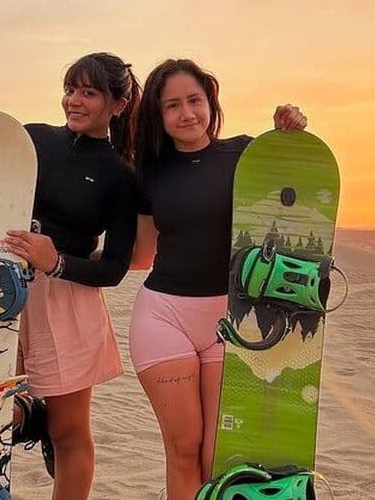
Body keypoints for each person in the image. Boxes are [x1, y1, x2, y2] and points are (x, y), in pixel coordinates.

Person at [0, 52, 140, 500]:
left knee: (70, 432)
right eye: (71, 90)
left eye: (89, 93)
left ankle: (40, 424)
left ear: (116, 104)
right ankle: (22, 424)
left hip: (66, 301)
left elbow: (115, 267)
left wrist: (54, 260)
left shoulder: (119, 174)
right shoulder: (32, 139)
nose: (74, 101)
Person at [129, 58, 307, 499]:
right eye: (172, 105)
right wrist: (66, 258)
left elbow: (294, 186)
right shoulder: (149, 171)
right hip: (163, 317)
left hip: (230, 322)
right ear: (159, 114)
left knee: (220, 456)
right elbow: (140, 255)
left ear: (211, 101)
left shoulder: (245, 155)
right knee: (183, 450)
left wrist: (289, 131)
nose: (187, 113)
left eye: (194, 100)